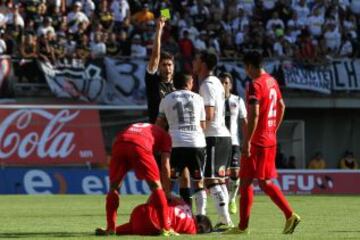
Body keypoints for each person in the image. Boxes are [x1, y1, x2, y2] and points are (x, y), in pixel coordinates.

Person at [225, 51, 300, 235]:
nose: (246, 71)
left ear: (250, 66)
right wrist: (273, 129)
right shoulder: (272, 81)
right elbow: (282, 106)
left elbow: (255, 113)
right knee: (250, 182)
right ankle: (243, 226)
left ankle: (289, 215)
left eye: (246, 67)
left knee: (255, 183)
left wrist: (248, 141)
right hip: (269, 139)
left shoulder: (255, 85)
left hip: (256, 141)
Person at [95, 123, 177, 236]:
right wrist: (167, 191)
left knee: (114, 187)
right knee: (156, 187)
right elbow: (165, 164)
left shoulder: (143, 126)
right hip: (140, 146)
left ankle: (110, 228)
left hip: (119, 143)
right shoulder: (166, 135)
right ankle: (166, 228)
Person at [145, 17, 191, 206]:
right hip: (157, 135)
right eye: (164, 64)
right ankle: (160, 207)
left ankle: (187, 210)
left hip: (177, 134)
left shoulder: (178, 87)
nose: (167, 67)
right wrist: (159, 30)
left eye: (170, 64)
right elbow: (155, 57)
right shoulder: (153, 82)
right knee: (162, 178)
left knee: (184, 173)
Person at [192, 50, 233, 229]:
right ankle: (224, 220)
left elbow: (209, 114)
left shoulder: (207, 85)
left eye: (196, 59)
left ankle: (225, 221)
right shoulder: (216, 81)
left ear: (202, 64)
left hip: (213, 136)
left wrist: (196, 127)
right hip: (223, 135)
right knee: (217, 179)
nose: (193, 62)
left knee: (210, 180)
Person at [156, 73, 207, 215]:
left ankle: (166, 214)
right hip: (196, 144)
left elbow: (159, 124)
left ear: (175, 84)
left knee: (170, 182)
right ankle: (200, 216)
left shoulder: (166, 99)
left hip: (176, 144)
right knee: (198, 182)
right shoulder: (198, 98)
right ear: (190, 82)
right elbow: (203, 125)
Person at [96, 197, 213, 236]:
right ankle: (116, 230)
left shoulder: (182, 203)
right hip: (156, 227)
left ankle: (112, 230)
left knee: (133, 226)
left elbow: (161, 195)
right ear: (199, 227)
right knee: (136, 228)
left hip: (141, 211)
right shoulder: (192, 229)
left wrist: (148, 205)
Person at [219, 72, 247, 215]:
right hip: (219, 142)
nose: (224, 85)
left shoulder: (238, 100)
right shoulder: (214, 101)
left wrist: (248, 140)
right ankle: (223, 203)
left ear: (231, 84)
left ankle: (232, 199)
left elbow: (244, 122)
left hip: (234, 142)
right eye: (222, 82)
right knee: (220, 175)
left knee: (235, 172)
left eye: (226, 82)